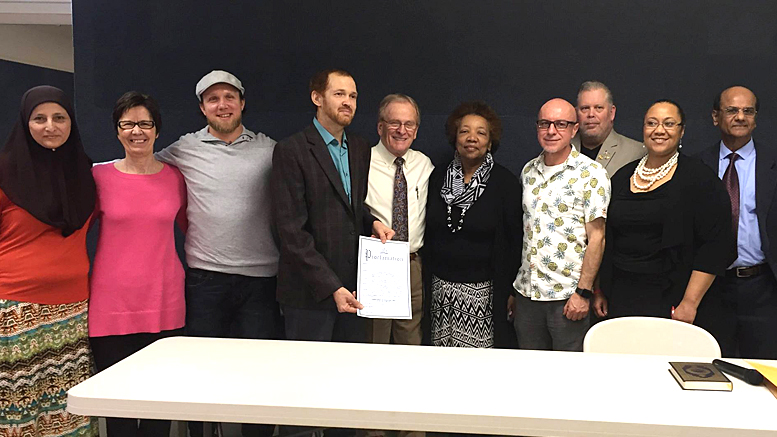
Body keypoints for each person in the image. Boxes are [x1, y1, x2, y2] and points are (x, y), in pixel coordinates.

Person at [155, 70, 279, 437]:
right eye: (213, 99)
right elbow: (140, 169)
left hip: (261, 279)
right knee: (203, 371)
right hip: (205, 278)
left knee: (258, 373)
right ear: (202, 108)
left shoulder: (271, 149)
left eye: (229, 97)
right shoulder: (183, 148)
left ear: (242, 102)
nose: (222, 105)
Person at [0, 86, 97, 436]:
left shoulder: (84, 173)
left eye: (59, 117)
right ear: (25, 123)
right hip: (15, 311)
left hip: (72, 309)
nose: (50, 126)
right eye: (39, 118)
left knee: (67, 407)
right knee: (19, 409)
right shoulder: (4, 172)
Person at [89, 92, 187, 437]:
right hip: (111, 307)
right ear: (117, 131)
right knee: (119, 413)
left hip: (165, 303)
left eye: (145, 123)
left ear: (157, 130)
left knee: (158, 409)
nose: (137, 131)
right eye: (127, 124)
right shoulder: (98, 177)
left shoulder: (176, 178)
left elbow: (195, 230)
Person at [272, 68, 393, 345]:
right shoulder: (291, 150)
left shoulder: (361, 148)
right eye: (338, 94)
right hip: (309, 294)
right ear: (317, 97)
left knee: (348, 376)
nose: (347, 102)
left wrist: (371, 221)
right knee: (309, 378)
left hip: (353, 289)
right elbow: (291, 232)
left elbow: (351, 206)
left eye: (352, 96)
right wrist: (331, 287)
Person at [596, 100, 735, 330]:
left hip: (672, 299)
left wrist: (690, 302)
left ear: (682, 131)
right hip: (621, 297)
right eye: (652, 123)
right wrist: (600, 289)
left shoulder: (700, 179)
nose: (659, 130)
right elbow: (607, 238)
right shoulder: (622, 177)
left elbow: (714, 246)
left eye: (669, 124)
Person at [511, 98, 608, 352]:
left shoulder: (591, 173)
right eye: (545, 124)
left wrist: (584, 293)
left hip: (567, 298)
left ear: (574, 129)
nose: (551, 131)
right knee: (530, 371)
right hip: (527, 295)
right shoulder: (528, 171)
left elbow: (597, 238)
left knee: (568, 377)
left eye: (560, 124)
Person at [424, 101, 522, 349]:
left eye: (481, 132)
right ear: (455, 138)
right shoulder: (437, 178)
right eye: (465, 131)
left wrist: (510, 291)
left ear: (490, 142)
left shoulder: (505, 183)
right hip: (441, 291)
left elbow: (514, 242)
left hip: (484, 294)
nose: (472, 138)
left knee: (478, 369)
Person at [697, 86, 777, 359]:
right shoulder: (697, 166)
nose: (740, 117)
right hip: (711, 289)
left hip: (763, 288)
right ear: (715, 117)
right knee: (710, 369)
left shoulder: (773, 164)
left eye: (748, 111)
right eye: (732, 110)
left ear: (756, 117)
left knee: (765, 372)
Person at [364, 94, 433, 348]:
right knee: (375, 342)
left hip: (412, 264)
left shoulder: (424, 164)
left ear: (416, 130)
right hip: (376, 263)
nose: (402, 131)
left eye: (409, 124)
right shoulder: (362, 161)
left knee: (410, 343)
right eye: (394, 123)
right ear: (380, 127)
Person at [571, 81, 645, 176]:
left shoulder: (636, 153)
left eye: (598, 108)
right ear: (576, 113)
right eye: (585, 108)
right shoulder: (562, 149)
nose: (591, 114)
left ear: (611, 113)